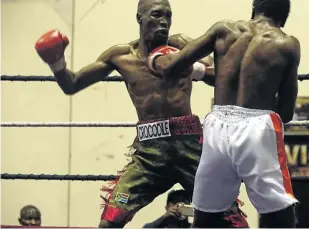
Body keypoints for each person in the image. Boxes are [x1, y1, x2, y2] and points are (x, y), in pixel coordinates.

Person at [34, 0, 248, 227]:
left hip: (191, 147)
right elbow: (72, 84)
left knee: (232, 219)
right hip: (149, 155)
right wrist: (56, 63)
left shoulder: (183, 46)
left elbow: (223, 78)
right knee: (109, 222)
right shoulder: (121, 56)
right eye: (156, 14)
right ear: (140, 18)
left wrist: (196, 69)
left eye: (168, 15)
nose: (164, 21)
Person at [150, 0, 300, 227]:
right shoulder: (287, 44)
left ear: (254, 10)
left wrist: (154, 59)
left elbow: (171, 66)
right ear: (283, 19)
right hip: (257, 129)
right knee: (280, 211)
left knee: (206, 215)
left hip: (217, 127)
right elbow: (287, 112)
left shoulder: (223, 29)